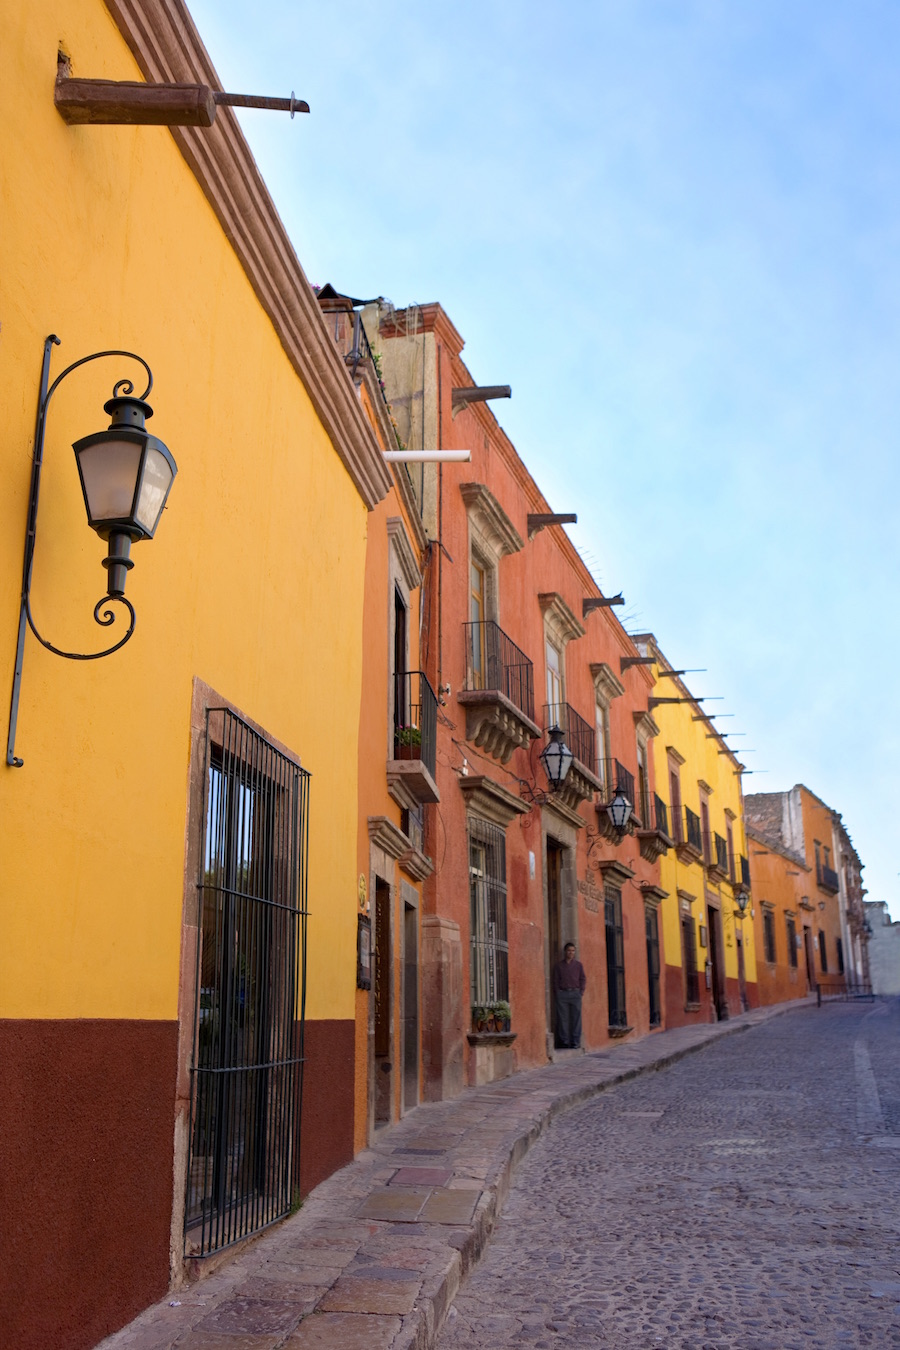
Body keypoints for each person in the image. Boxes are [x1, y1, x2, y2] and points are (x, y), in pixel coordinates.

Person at [553, 942, 586, 1049]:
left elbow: (583, 979)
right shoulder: (559, 966)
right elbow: (555, 980)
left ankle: (575, 1041)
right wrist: (558, 992)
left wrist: (581, 992)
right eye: (569, 950)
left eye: (573, 951)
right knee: (563, 1019)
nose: (571, 953)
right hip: (563, 994)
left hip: (575, 993)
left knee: (576, 1019)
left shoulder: (578, 965)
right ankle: (564, 1041)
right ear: (565, 952)